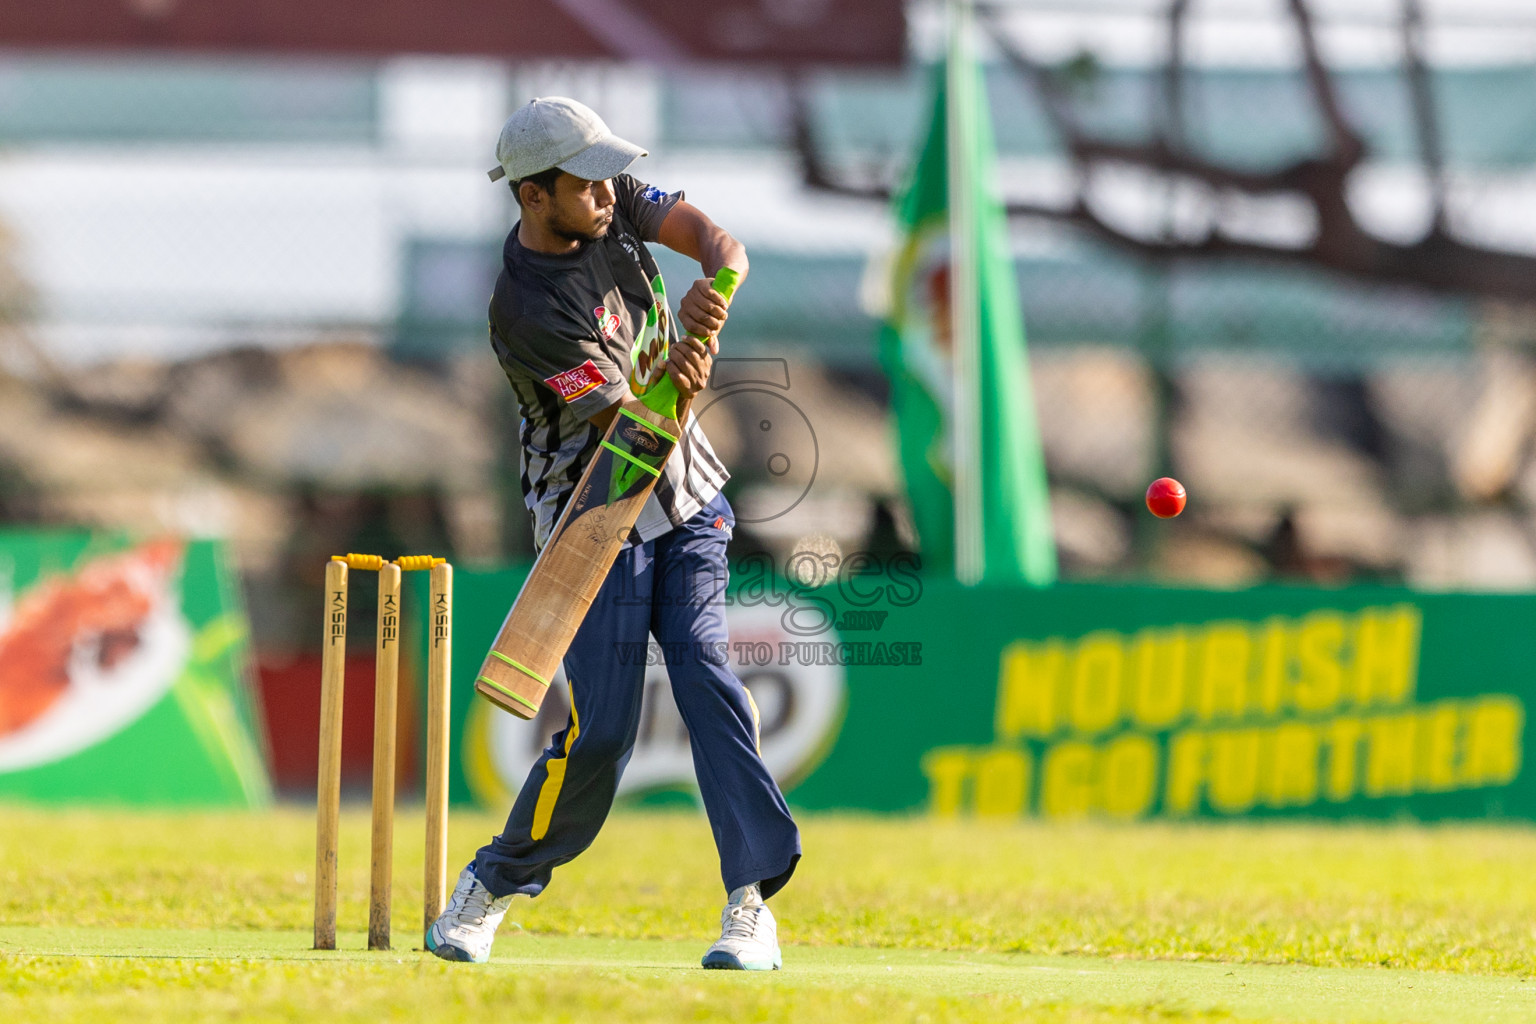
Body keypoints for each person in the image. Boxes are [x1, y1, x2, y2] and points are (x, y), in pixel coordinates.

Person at [425, 97, 801, 970]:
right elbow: (629, 426)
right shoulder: (524, 311)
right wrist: (681, 375)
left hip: (691, 498)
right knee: (602, 732)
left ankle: (749, 905)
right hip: (594, 515)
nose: (605, 189)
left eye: (606, 174)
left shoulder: (614, 198)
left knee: (706, 668)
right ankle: (491, 885)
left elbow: (721, 242)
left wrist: (717, 290)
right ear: (533, 196)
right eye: (583, 179)